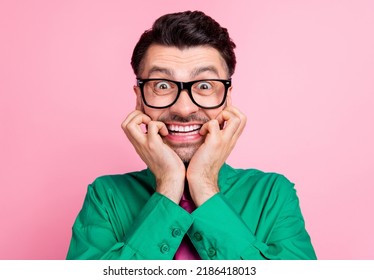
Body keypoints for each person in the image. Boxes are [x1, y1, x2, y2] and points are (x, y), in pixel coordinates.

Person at [66, 10, 316, 260]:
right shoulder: (106, 196)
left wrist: (204, 185)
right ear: (139, 99)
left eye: (205, 86)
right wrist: (168, 184)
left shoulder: (272, 194)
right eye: (162, 85)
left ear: (227, 99)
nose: (184, 109)